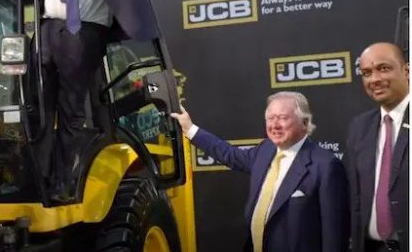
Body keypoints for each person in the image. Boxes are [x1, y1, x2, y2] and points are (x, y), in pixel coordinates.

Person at [23, 0, 167, 204]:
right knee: (37, 108)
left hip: (83, 32)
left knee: (71, 110)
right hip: (46, 32)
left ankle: (62, 184)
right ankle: (40, 180)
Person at [170, 92, 349, 252]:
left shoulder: (326, 166)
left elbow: (334, 236)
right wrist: (190, 129)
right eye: (270, 118)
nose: (275, 125)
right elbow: (230, 155)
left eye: (283, 118)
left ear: (305, 123)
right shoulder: (265, 149)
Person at [345, 42, 409, 252]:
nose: (375, 79)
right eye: (366, 73)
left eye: (384, 68)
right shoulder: (359, 127)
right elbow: (355, 198)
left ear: (407, 71)